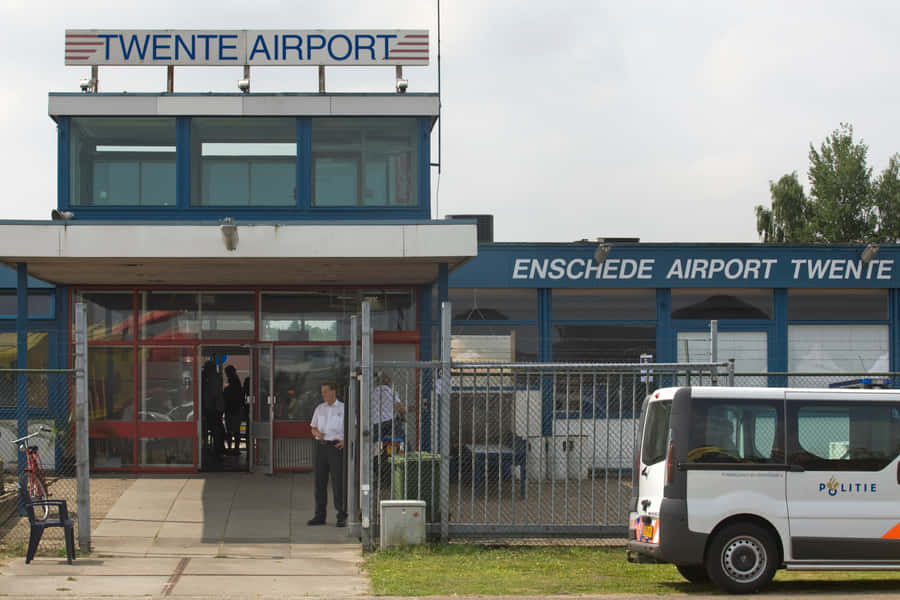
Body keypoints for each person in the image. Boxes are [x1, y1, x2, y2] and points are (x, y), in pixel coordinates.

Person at [308, 381, 347, 527]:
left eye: (325, 391)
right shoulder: (320, 408)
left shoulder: (343, 409)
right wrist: (317, 433)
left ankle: (341, 515)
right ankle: (319, 515)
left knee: (338, 482)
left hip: (335, 448)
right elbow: (312, 427)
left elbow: (353, 427)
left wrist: (345, 441)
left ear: (333, 391)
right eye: (322, 392)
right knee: (319, 482)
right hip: (321, 447)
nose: (323, 394)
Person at [201, 359, 226, 466]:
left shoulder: (213, 379)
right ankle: (218, 449)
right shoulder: (214, 378)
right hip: (215, 408)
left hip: (214, 409)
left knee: (216, 430)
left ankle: (217, 451)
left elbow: (213, 394)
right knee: (217, 429)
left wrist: (209, 407)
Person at [372, 372, 405, 442]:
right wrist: (403, 417)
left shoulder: (372, 392)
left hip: (375, 422)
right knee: (402, 440)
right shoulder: (390, 391)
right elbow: (401, 409)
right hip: (389, 422)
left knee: (375, 442)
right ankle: (407, 450)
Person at [223, 365, 243, 454]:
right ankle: (235, 448)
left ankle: (232, 448)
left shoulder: (233, 384)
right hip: (235, 409)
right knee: (235, 431)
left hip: (232, 409)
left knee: (231, 431)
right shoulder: (237, 383)